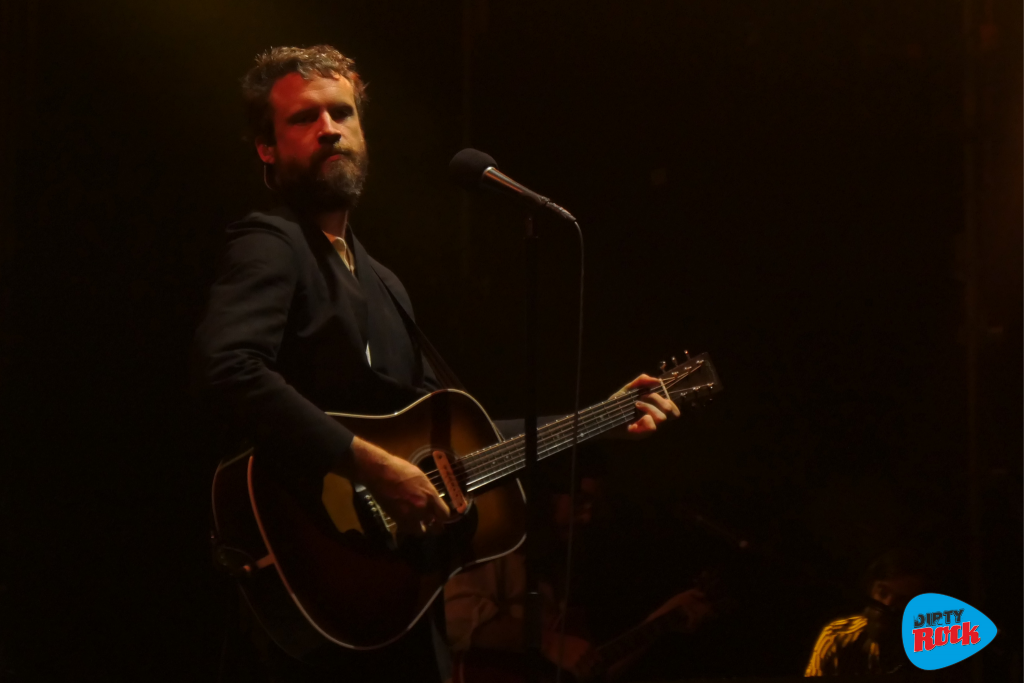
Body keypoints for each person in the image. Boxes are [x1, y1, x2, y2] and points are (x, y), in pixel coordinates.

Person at [192, 45, 680, 682]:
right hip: (314, 580)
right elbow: (227, 367)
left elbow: (453, 444)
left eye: (342, 113)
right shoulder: (272, 243)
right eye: (303, 118)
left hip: (394, 599)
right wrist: (373, 465)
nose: (329, 128)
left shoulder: (384, 281)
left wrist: (596, 421)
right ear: (266, 147)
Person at [805, 549, 934, 677]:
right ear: (870, 590)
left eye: (902, 600)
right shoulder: (837, 636)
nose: (887, 605)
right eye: (882, 593)